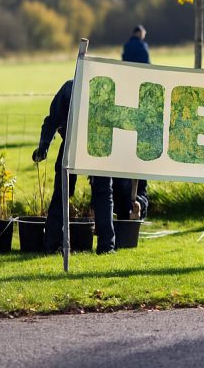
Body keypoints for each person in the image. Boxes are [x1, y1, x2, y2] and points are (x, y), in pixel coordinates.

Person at [33, 81, 116, 254]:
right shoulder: (106, 87)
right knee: (103, 193)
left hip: (72, 143)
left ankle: (52, 244)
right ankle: (106, 246)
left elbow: (52, 120)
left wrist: (44, 147)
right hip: (99, 146)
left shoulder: (69, 87)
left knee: (62, 193)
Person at [118, 25, 151, 220]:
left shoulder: (126, 46)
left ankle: (127, 209)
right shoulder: (142, 46)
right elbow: (147, 64)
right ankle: (138, 205)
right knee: (140, 185)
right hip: (140, 83)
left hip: (128, 82)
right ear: (140, 33)